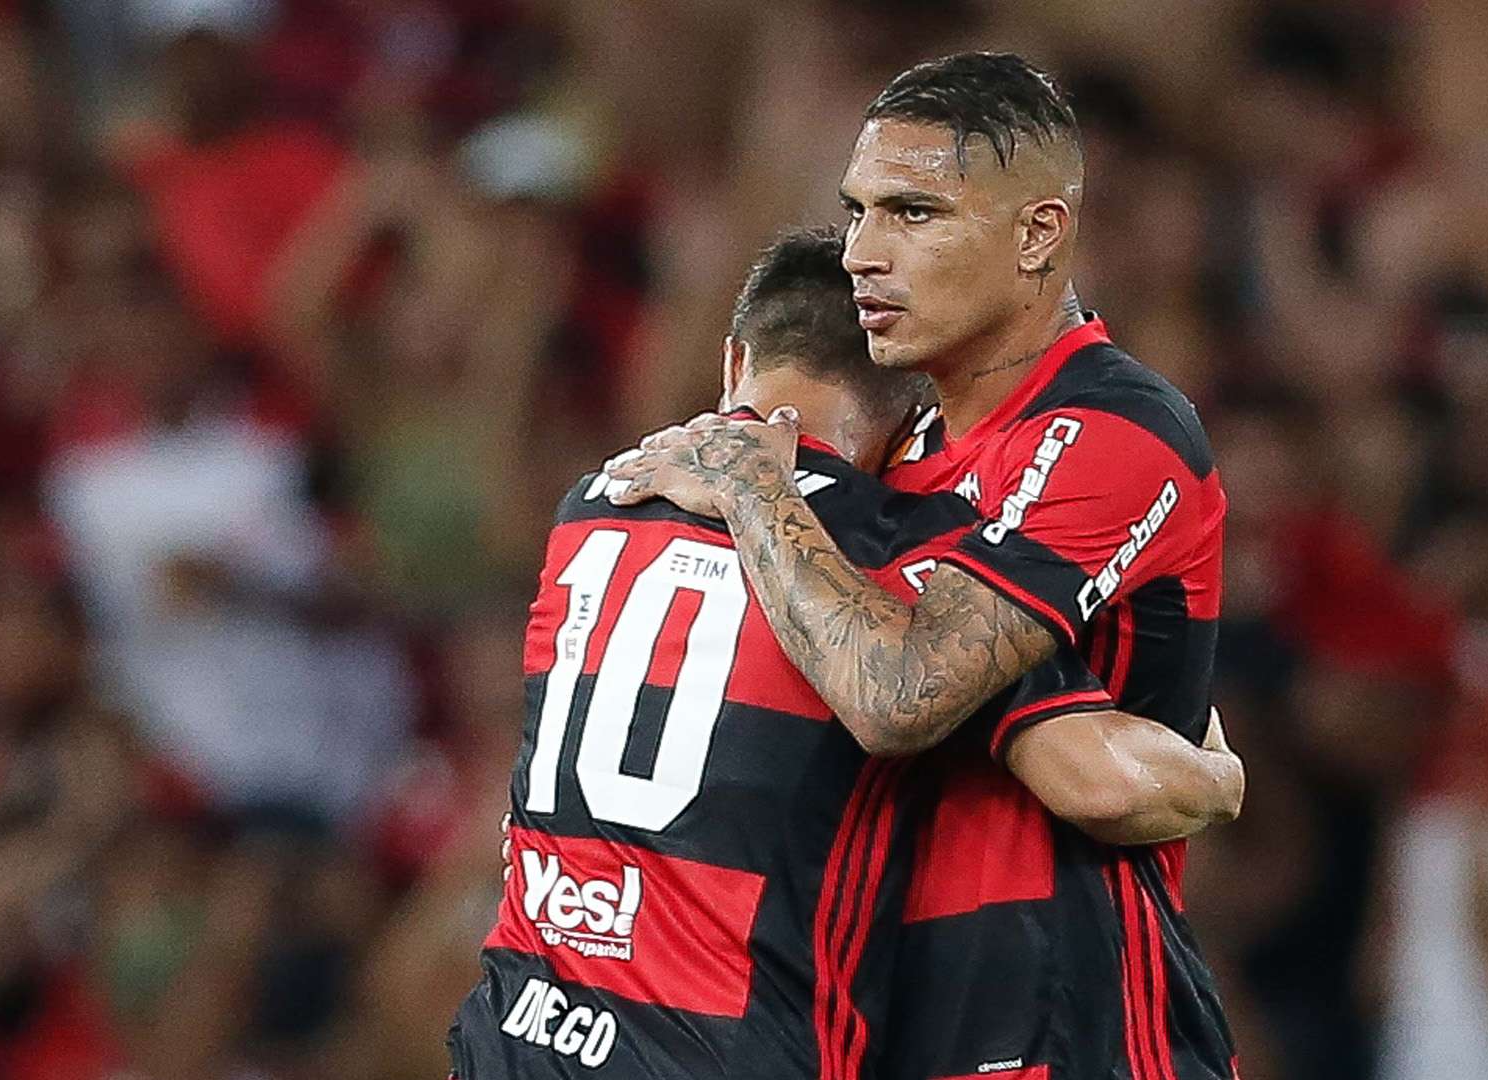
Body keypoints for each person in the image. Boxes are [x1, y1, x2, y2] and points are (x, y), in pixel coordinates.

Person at [448, 227, 1243, 1079]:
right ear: (913, 417)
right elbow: (1103, 783)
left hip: (516, 1033)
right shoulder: (894, 552)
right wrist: (1218, 777)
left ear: (733, 363)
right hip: (720, 1050)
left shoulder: (595, 503)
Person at [606, 53, 1236, 1079]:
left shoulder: (1115, 430)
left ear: (1039, 235)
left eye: (914, 214)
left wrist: (760, 492)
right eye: (857, 212)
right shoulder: (894, 453)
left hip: (1063, 1024)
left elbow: (896, 693)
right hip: (878, 1017)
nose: (861, 254)